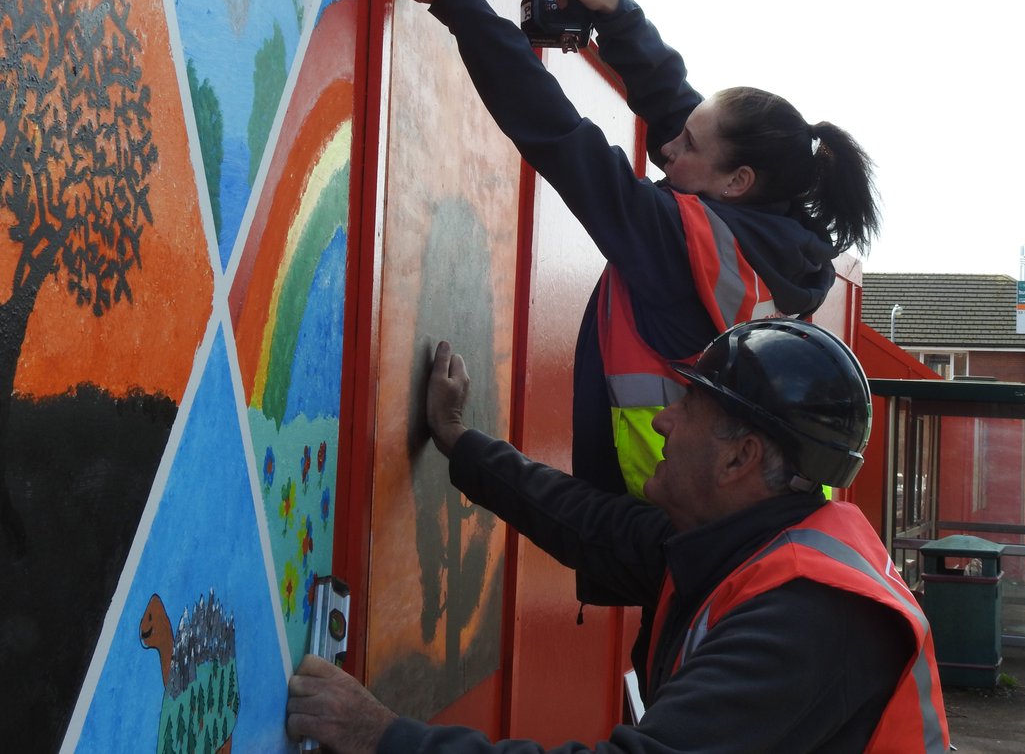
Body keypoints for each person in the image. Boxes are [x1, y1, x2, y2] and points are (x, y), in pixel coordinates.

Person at [286, 319, 951, 753]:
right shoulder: (743, 542)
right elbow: (589, 524)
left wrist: (381, 736)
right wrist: (459, 441)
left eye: (687, 406)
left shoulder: (809, 619)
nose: (662, 422)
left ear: (738, 458)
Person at [398, 0, 881, 537]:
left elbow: (560, 136)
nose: (665, 148)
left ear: (737, 182)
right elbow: (682, 110)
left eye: (687, 147)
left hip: (680, 527)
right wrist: (613, 11)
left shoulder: (679, 243)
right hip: (760, 518)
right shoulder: (783, 236)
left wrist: (457, 2)